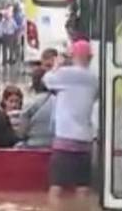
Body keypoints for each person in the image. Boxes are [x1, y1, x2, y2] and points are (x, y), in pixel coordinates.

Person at [42, 40, 99, 196]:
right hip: (85, 141)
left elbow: (46, 80)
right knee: (83, 186)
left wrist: (57, 64)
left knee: (56, 186)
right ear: (91, 57)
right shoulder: (94, 79)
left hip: (64, 141)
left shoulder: (65, 74)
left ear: (72, 56)